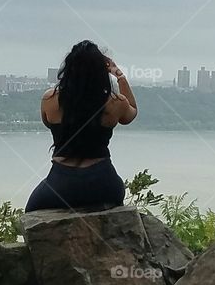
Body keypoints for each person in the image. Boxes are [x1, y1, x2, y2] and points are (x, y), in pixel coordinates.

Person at [25, 40, 137, 212]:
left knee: (31, 209)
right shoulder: (115, 103)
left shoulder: (50, 100)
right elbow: (131, 113)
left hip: (61, 182)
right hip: (104, 182)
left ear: (68, 69)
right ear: (102, 72)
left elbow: (47, 122)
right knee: (116, 193)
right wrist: (120, 76)